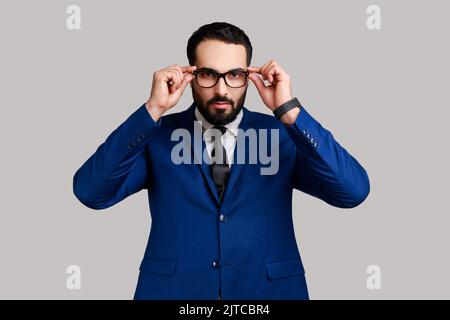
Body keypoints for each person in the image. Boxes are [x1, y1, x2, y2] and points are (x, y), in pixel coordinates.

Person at [73, 21, 370, 300]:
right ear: (190, 76)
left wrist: (291, 112)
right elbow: (90, 192)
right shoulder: (157, 134)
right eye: (208, 74)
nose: (221, 90)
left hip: (267, 295)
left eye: (234, 75)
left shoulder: (282, 135)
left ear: (248, 76)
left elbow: (352, 192)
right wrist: (151, 111)